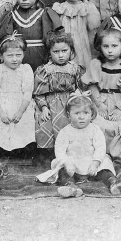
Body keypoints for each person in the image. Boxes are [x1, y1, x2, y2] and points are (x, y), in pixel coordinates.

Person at [0, 33, 36, 179]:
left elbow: (28, 92)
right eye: (10, 55)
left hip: (21, 104)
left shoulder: (26, 69)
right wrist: (1, 113)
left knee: (27, 122)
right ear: (1, 55)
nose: (15, 59)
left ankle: (23, 161)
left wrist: (21, 112)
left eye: (18, 54)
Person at [49, 91, 117, 197]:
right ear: (68, 115)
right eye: (77, 113)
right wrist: (67, 163)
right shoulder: (65, 132)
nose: (81, 117)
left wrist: (95, 163)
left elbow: (100, 147)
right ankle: (71, 187)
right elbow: (59, 150)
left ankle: (113, 183)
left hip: (91, 162)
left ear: (91, 114)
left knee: (105, 164)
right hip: (73, 163)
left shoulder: (95, 129)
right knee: (61, 168)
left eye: (86, 113)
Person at [0, 0, 63, 70]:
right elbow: (2, 40)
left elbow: (54, 40)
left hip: (40, 57)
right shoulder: (11, 15)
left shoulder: (45, 14)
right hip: (18, 58)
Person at [33, 32, 84, 161]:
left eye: (64, 51)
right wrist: (44, 107)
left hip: (70, 104)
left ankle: (70, 156)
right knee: (45, 126)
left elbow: (81, 87)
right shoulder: (45, 70)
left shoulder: (75, 69)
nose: (61, 55)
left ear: (71, 51)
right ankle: (48, 158)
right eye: (56, 52)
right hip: (50, 104)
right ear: (50, 53)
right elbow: (39, 93)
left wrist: (79, 93)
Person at [82, 29, 121, 138]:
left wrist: (119, 108)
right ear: (100, 47)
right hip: (100, 100)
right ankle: (101, 151)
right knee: (97, 123)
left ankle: (119, 152)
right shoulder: (96, 64)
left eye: (114, 46)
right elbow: (92, 86)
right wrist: (99, 105)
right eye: (106, 46)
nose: (110, 50)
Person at [52, 0, 101, 70]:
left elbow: (93, 32)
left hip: (84, 44)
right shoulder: (60, 8)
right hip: (66, 44)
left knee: (83, 65)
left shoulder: (88, 7)